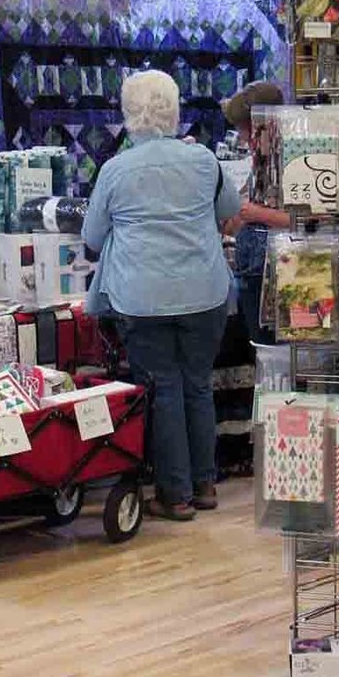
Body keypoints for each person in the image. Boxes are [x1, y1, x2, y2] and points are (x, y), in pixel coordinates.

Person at [83, 70, 240, 521]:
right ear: (175, 109)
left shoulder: (115, 170)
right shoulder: (205, 161)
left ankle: (175, 495)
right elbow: (228, 214)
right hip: (206, 292)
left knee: (164, 389)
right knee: (198, 385)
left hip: (142, 297)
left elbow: (94, 237)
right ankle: (205, 483)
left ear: (128, 115)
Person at [219, 81, 292, 344]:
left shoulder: (292, 159)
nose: (241, 137)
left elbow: (311, 221)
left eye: (244, 129)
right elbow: (243, 218)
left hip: (278, 272)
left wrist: (257, 214)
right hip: (253, 271)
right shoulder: (261, 162)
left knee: (272, 351)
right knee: (261, 350)